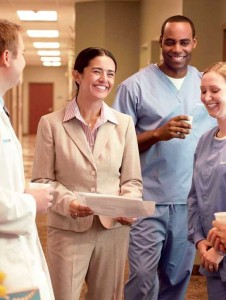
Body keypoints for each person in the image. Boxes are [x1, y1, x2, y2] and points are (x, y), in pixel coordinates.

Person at [113, 15, 216, 300]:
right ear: (161, 42)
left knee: (177, 278)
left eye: (184, 42)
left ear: (194, 42)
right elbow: (114, 148)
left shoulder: (204, 86)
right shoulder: (134, 87)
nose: (177, 49)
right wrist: (157, 134)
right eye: (170, 42)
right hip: (148, 201)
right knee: (144, 278)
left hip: (188, 203)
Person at [31, 47, 142, 300]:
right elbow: (42, 180)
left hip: (112, 230)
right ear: (77, 75)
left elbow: (132, 179)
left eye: (110, 73)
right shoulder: (51, 124)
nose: (105, 79)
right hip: (68, 229)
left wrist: (129, 203)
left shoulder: (123, 124)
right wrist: (67, 202)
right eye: (97, 71)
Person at [0, 19, 54, 299]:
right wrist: (30, 201)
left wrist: (23, 193)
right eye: (22, 54)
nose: (23, 63)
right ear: (7, 57)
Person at [188, 62, 226, 299]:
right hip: (210, 255)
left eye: (215, 90)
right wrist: (200, 239)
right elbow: (194, 196)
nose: (207, 97)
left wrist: (221, 252)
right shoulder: (204, 140)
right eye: (203, 91)